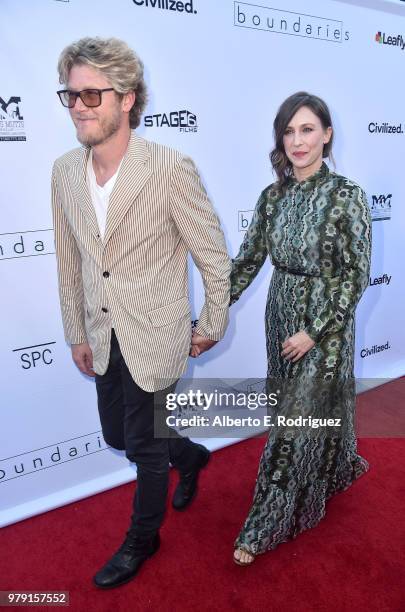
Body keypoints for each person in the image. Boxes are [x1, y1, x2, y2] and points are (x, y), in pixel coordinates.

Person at [51, 36, 231, 588]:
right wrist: (76, 331)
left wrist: (213, 323)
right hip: (103, 336)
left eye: (91, 95)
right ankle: (193, 455)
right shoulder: (63, 172)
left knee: (146, 450)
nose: (79, 106)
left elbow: (212, 252)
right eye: (70, 95)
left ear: (127, 97)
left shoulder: (170, 168)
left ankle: (142, 538)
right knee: (119, 437)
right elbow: (67, 259)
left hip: (157, 334)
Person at [230, 92, 371, 566]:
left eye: (307, 129)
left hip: (325, 328)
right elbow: (247, 262)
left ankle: (267, 522)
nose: (297, 140)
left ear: (327, 135)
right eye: (289, 131)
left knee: (294, 425)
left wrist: (314, 331)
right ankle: (331, 472)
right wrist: (212, 311)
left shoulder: (348, 195)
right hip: (280, 314)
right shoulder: (271, 198)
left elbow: (356, 274)